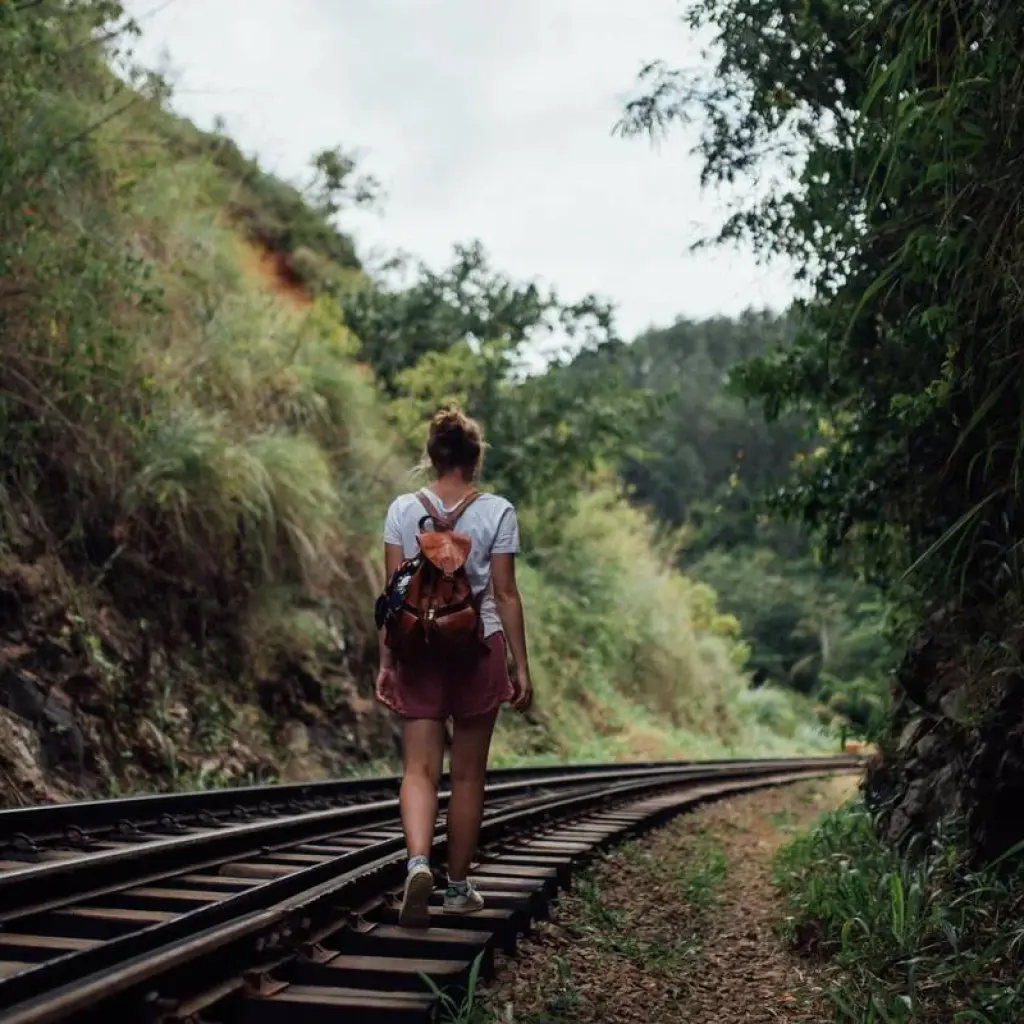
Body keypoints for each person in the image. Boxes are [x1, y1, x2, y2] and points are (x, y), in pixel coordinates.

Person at [375, 407, 533, 928]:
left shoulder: (402, 509)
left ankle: (418, 861)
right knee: (467, 777)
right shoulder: (497, 512)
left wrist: (386, 660)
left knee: (419, 771)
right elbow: (506, 595)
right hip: (478, 649)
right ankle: (458, 886)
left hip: (418, 649)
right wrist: (520, 666)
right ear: (474, 459)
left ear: (432, 456)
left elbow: (395, 593)